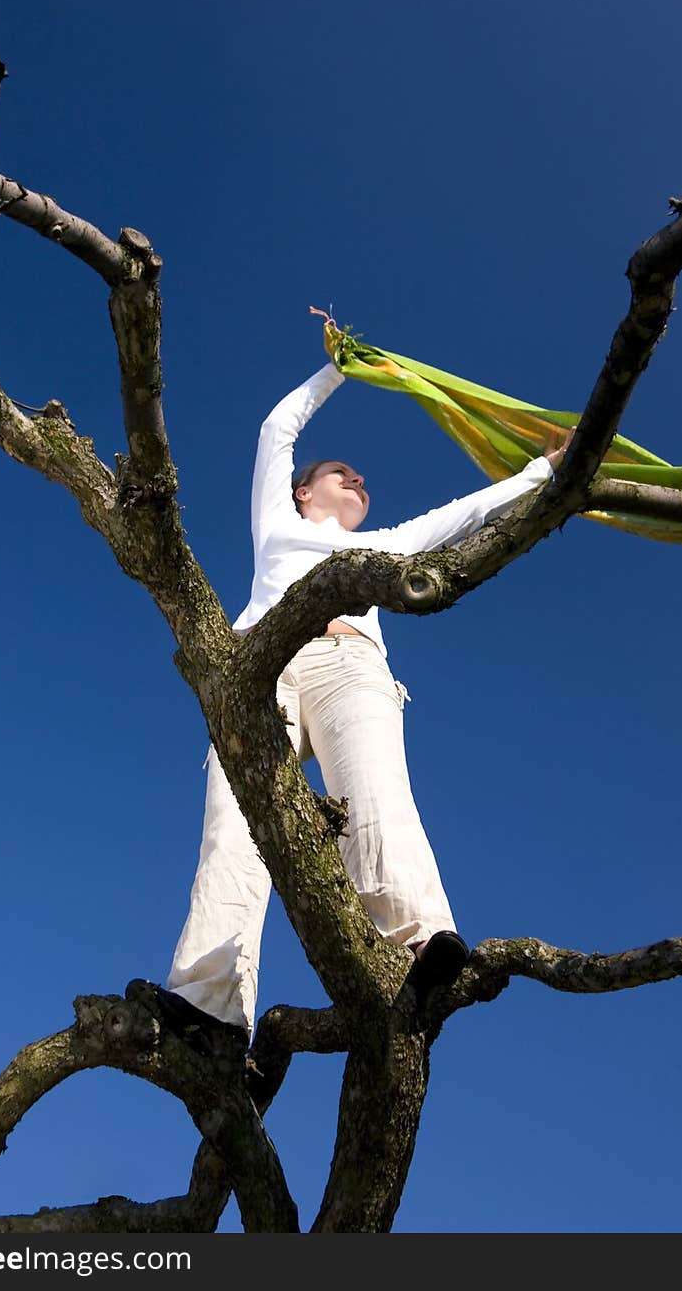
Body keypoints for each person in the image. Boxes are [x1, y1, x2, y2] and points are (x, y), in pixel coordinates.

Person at [127, 358, 569, 1050]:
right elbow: (277, 428)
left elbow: (463, 516)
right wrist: (339, 369)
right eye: (341, 475)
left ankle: (422, 950)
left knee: (375, 799)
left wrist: (541, 474)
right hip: (258, 671)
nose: (358, 480)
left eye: (361, 479)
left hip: (348, 666)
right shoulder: (276, 522)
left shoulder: (379, 546)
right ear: (304, 493)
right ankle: (208, 1009)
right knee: (233, 826)